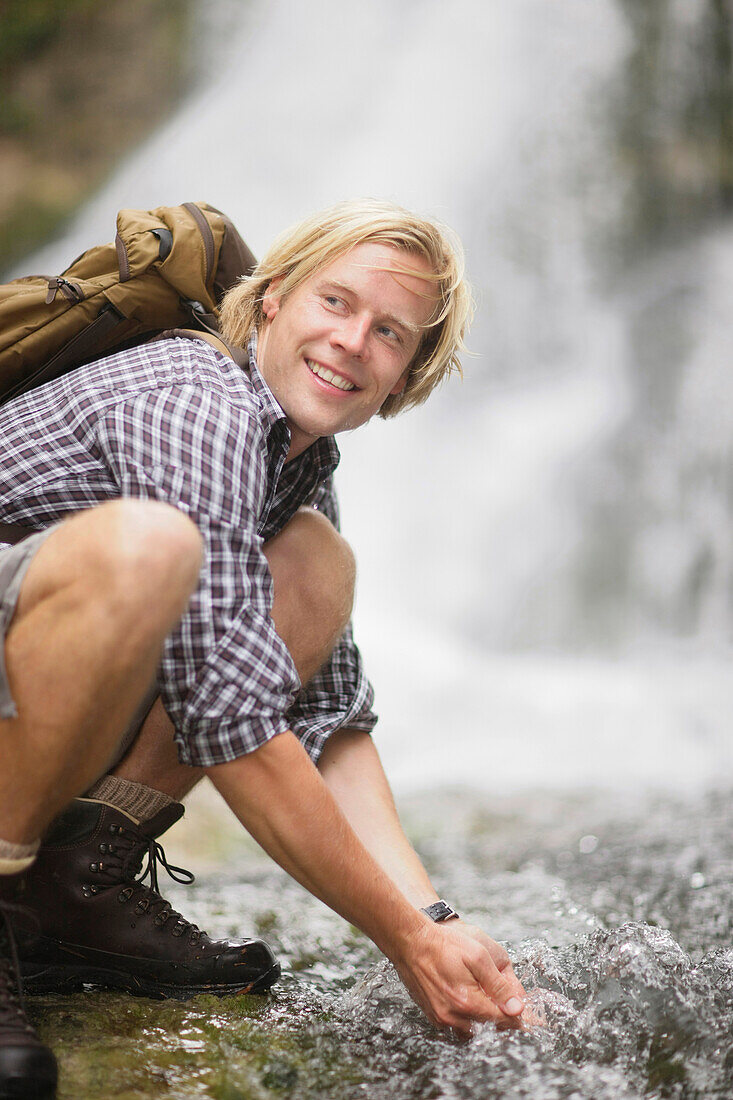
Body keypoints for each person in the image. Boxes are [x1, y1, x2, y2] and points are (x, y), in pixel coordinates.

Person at [0, 199, 528, 1097]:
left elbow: (329, 720)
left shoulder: (298, 464)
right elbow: (231, 718)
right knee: (152, 551)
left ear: (405, 377)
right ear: (273, 299)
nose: (353, 340)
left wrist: (436, 922)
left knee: (315, 567)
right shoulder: (195, 398)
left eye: (389, 333)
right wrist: (402, 942)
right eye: (335, 303)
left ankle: (69, 892)